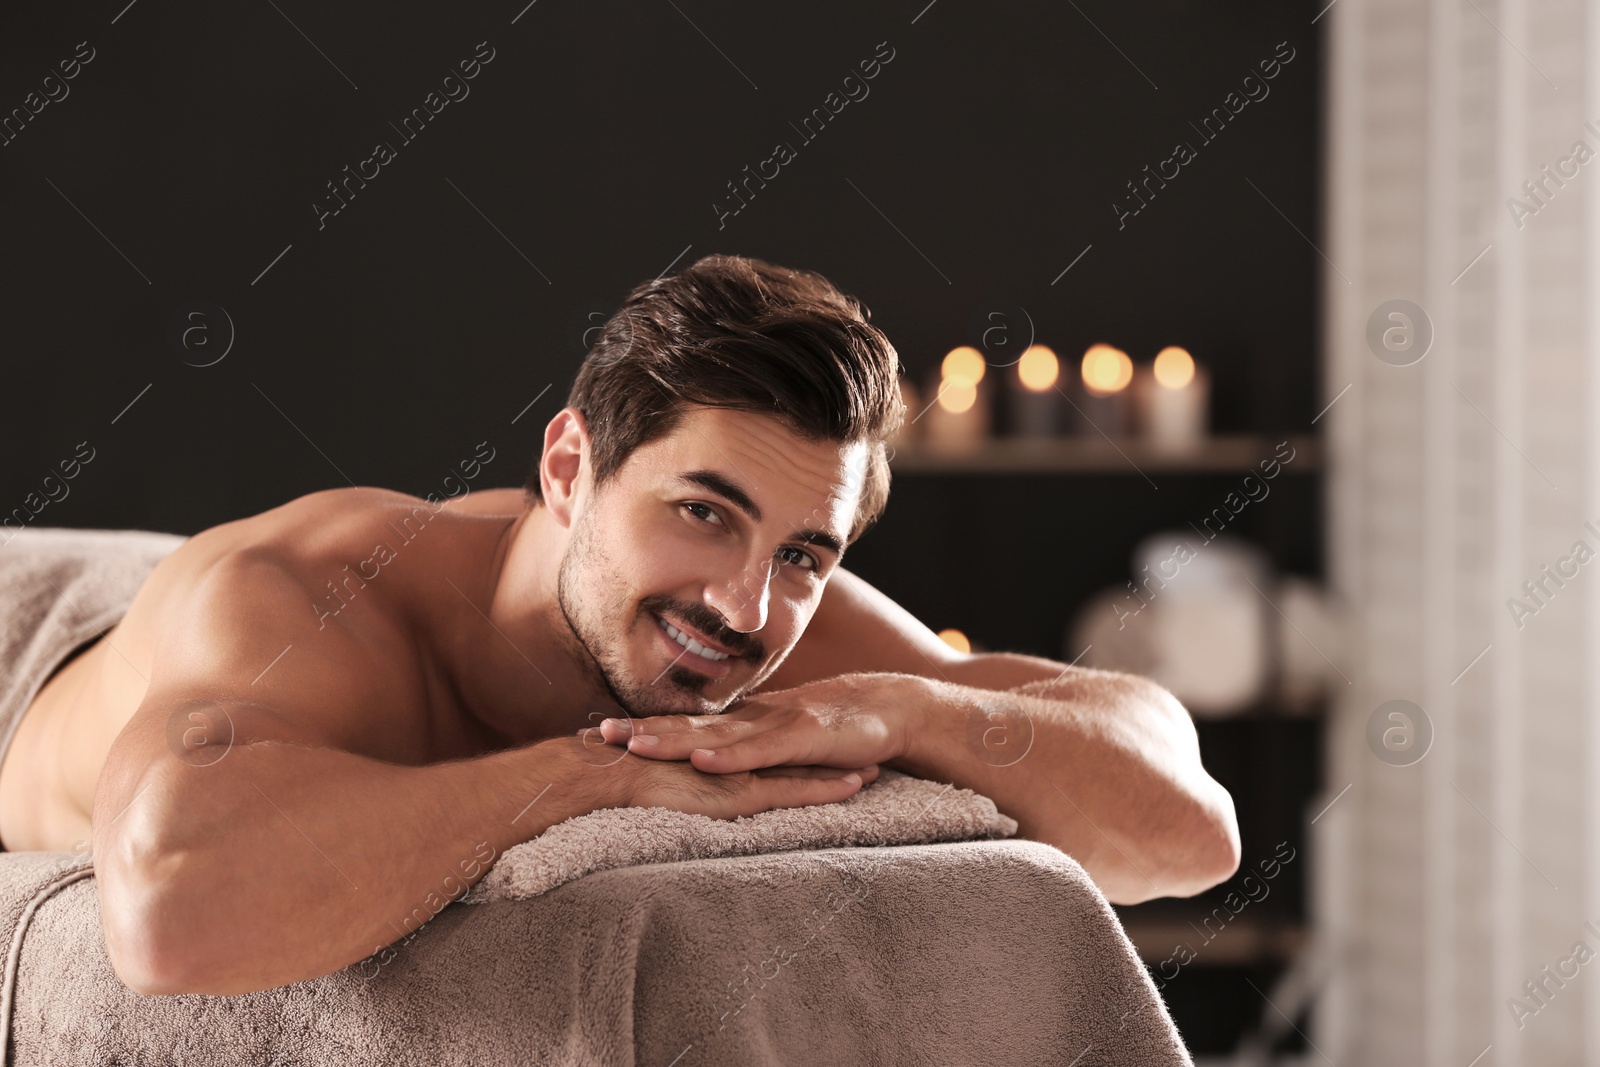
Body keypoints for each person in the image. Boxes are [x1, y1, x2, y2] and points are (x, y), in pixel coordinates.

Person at [0, 254, 1239, 996]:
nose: (744, 606)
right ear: (566, 466)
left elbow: (1186, 829)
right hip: (40, 643)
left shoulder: (775, 611)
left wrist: (917, 707)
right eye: (703, 510)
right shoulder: (300, 603)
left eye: (803, 550)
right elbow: (169, 912)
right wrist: (582, 781)